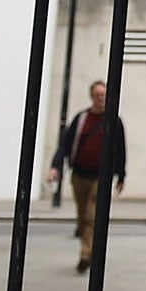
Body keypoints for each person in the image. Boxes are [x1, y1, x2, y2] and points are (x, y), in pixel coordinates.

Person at [47, 80, 126, 273]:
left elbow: (120, 150)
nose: (101, 98)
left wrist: (121, 176)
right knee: (82, 216)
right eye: (98, 95)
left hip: (101, 175)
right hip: (79, 174)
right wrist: (55, 167)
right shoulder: (81, 119)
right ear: (91, 97)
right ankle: (89, 250)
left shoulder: (114, 121)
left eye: (104, 95)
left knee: (91, 215)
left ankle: (86, 253)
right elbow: (65, 145)